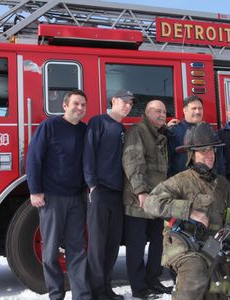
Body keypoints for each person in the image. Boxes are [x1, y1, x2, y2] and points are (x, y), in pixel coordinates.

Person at [144, 122, 230, 300]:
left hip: (212, 245)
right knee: (195, 271)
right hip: (183, 244)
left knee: (218, 290)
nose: (209, 156)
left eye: (211, 150)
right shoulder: (181, 181)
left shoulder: (223, 184)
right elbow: (150, 203)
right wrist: (190, 210)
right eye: (203, 151)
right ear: (192, 155)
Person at [26, 89, 91, 300]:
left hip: (76, 198)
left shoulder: (84, 130)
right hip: (52, 198)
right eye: (76, 103)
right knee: (50, 250)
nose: (79, 108)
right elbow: (34, 159)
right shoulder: (49, 126)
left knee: (78, 249)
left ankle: (81, 295)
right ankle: (55, 294)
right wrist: (35, 191)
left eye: (83, 105)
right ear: (65, 105)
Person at [83, 89, 134, 300]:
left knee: (112, 244)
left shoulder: (121, 128)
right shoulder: (98, 122)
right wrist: (92, 184)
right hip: (100, 191)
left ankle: (106, 288)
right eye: (125, 101)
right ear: (114, 101)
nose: (128, 106)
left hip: (117, 193)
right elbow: (88, 153)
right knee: (97, 244)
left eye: (131, 103)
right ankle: (96, 291)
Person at [122, 100, 173, 299]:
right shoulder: (138, 131)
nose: (162, 114)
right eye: (157, 111)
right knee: (136, 245)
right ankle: (139, 288)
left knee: (158, 242)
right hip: (139, 200)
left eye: (164, 112)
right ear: (146, 112)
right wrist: (141, 191)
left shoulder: (159, 134)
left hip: (156, 200)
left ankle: (153, 279)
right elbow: (133, 161)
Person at [167, 95, 204, 177]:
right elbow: (166, 160)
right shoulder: (174, 131)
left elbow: (219, 159)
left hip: (204, 181)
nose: (198, 111)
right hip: (181, 183)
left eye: (200, 108)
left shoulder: (208, 131)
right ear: (185, 110)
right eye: (194, 108)